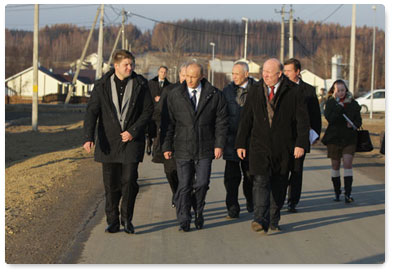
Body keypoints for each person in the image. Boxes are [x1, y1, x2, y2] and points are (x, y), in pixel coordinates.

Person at [235, 58, 309, 234]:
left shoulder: (294, 92)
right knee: (259, 181)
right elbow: (246, 119)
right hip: (259, 145)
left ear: (279, 74)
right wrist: (240, 143)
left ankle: (274, 218)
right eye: (264, 72)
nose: (265, 75)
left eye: (269, 73)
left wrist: (300, 144)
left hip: (283, 147)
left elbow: (302, 121)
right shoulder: (255, 91)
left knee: (279, 184)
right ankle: (259, 219)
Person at [83, 50, 153, 234]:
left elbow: (148, 111)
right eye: (126, 65)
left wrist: (133, 131)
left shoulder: (141, 84)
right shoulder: (102, 85)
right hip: (109, 142)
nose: (130, 67)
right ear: (116, 66)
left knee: (129, 181)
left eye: (132, 64)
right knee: (111, 185)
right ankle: (112, 220)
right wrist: (88, 137)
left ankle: (127, 219)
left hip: (131, 142)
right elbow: (92, 112)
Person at [163, 61, 228, 232]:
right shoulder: (175, 95)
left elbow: (221, 122)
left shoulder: (214, 95)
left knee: (202, 183)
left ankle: (199, 211)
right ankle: (184, 219)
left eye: (193, 77)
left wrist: (219, 145)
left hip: (205, 148)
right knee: (184, 185)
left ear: (202, 77)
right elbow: (168, 123)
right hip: (182, 147)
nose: (189, 80)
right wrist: (166, 146)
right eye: (187, 76)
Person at [283, 58, 322, 213]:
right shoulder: (281, 88)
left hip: (301, 136)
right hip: (284, 137)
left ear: (297, 72)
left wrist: (315, 135)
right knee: (283, 169)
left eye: (288, 71)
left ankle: (292, 201)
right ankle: (279, 197)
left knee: (297, 170)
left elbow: (315, 115)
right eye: (284, 71)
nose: (285, 74)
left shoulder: (308, 90)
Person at [151, 63, 188, 207]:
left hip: (187, 140)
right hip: (169, 138)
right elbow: (158, 112)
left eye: (189, 76)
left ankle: (183, 196)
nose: (186, 79)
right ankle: (177, 192)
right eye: (184, 75)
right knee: (170, 171)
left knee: (186, 172)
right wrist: (163, 125)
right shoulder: (169, 90)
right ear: (179, 75)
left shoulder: (196, 92)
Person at [222, 61, 255, 219]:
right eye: (232, 73)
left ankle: (251, 199)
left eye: (237, 74)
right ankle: (232, 207)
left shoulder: (257, 89)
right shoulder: (227, 91)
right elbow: (221, 115)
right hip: (231, 140)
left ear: (246, 74)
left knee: (250, 175)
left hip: (251, 140)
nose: (233, 76)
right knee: (231, 177)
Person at [321, 79, 362, 203]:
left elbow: (359, 121)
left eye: (343, 90)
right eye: (338, 90)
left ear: (346, 90)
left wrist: (354, 124)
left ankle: (348, 194)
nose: (341, 93)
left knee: (348, 163)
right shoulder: (330, 104)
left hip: (349, 138)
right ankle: (337, 192)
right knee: (335, 165)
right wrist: (338, 105)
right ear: (333, 91)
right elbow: (330, 119)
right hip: (334, 138)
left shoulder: (354, 104)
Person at [146, 66, 172, 155]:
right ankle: (149, 143)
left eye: (165, 72)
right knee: (151, 130)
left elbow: (169, 98)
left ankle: (155, 151)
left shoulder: (169, 85)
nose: (163, 73)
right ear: (158, 72)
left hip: (162, 112)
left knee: (158, 131)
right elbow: (147, 96)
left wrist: (162, 99)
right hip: (152, 111)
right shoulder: (151, 83)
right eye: (161, 72)